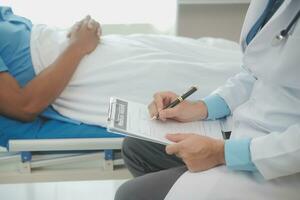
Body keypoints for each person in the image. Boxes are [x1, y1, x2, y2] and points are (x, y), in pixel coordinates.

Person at [115, 0, 300, 199]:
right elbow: (255, 71)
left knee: (130, 195)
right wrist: (201, 107)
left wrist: (222, 153)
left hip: (277, 159)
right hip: (246, 130)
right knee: (136, 148)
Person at [0, 6, 122, 148]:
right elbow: (25, 106)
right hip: (79, 77)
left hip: (87, 54)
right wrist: (78, 46)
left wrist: (80, 32)